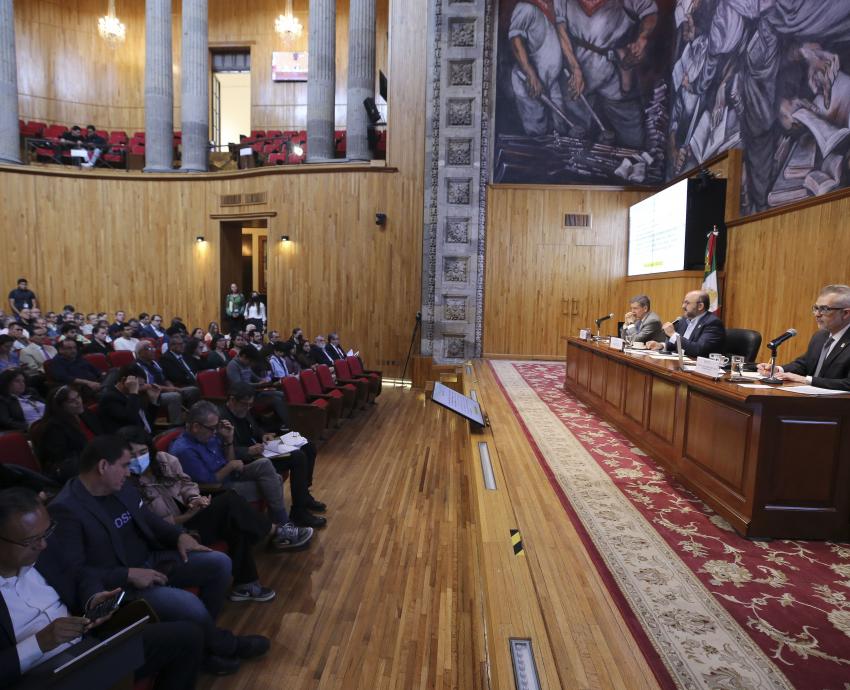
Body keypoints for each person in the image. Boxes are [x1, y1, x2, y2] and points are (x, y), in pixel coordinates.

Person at [48, 436, 271, 675]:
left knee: (219, 563)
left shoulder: (120, 487)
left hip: (152, 559)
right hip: (123, 585)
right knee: (190, 605)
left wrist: (178, 537)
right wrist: (128, 574)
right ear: (103, 466)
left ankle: (203, 644)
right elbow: (76, 572)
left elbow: (149, 520)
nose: (129, 471)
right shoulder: (66, 509)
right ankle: (223, 646)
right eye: (124, 465)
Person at [0, 487, 205, 688]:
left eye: (46, 533)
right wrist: (39, 643)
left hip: (88, 647)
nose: (43, 545)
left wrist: (93, 598)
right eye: (31, 541)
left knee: (188, 637)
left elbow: (81, 574)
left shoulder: (44, 549)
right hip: (39, 677)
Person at [117, 426, 277, 603]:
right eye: (132, 456)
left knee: (232, 519)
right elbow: (151, 525)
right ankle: (272, 531)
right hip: (168, 534)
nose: (139, 459)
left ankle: (246, 585)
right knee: (229, 502)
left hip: (187, 515)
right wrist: (186, 517)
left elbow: (186, 483)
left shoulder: (164, 460)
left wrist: (194, 498)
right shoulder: (121, 481)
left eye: (143, 452)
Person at [169, 401, 313, 549]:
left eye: (216, 427)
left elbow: (231, 461)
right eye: (212, 429)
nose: (215, 433)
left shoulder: (206, 435)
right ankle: (282, 530)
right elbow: (211, 482)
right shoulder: (184, 450)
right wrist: (231, 466)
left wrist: (229, 440)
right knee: (275, 480)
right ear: (196, 427)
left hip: (231, 476)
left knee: (264, 464)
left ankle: (282, 526)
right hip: (217, 490)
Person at [219, 384, 326, 528]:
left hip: (261, 449)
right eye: (246, 404)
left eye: (251, 405)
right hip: (249, 460)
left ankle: (304, 496)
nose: (248, 408)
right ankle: (299, 512)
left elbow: (255, 428)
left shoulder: (243, 410)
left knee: (308, 446)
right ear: (232, 400)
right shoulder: (223, 420)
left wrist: (263, 435)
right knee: (298, 457)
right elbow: (225, 450)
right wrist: (248, 451)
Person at [757, 284, 850, 391]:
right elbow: (804, 365)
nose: (817, 314)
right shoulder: (820, 336)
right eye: (816, 308)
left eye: (824, 309)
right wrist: (777, 370)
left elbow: (848, 383)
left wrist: (806, 380)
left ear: (845, 313)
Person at [30, 385, 104, 482]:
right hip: (80, 467)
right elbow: (64, 459)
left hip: (100, 458)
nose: (78, 402)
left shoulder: (84, 413)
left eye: (78, 397)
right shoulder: (53, 428)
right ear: (60, 407)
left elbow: (102, 435)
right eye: (72, 401)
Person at [226, 346, 291, 429]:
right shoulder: (233, 365)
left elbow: (254, 377)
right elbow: (239, 386)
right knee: (276, 399)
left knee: (282, 394)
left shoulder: (246, 364)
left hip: (255, 391)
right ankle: (289, 425)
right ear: (244, 356)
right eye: (250, 361)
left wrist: (263, 381)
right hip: (245, 397)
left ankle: (282, 423)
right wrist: (258, 384)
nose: (251, 364)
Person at [646, 290, 725, 357]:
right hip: (680, 364)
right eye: (683, 302)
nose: (683, 306)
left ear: (700, 306)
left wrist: (673, 334)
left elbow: (699, 350)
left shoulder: (713, 323)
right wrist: (661, 345)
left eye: (687, 303)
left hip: (700, 369)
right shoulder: (683, 320)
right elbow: (676, 344)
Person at [132, 340, 193, 426]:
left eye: (153, 347)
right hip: (152, 395)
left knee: (192, 390)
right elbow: (147, 386)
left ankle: (193, 419)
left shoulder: (155, 363)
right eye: (149, 348)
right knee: (174, 396)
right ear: (140, 352)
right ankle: (176, 425)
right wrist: (172, 389)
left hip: (165, 390)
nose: (153, 350)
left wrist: (171, 387)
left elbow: (165, 379)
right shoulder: (136, 366)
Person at [98, 366, 159, 434]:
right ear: (124, 380)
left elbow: (147, 422)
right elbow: (130, 419)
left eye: (141, 385)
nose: (139, 388)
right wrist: (133, 392)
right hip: (125, 440)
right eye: (137, 385)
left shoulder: (134, 395)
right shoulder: (110, 398)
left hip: (144, 436)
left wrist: (153, 400)